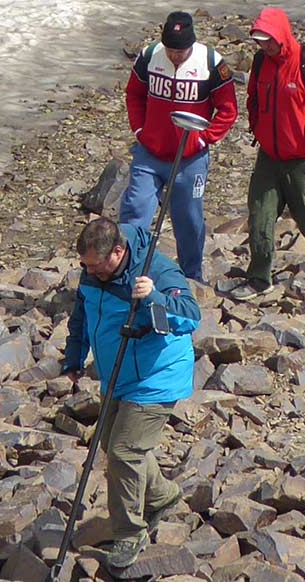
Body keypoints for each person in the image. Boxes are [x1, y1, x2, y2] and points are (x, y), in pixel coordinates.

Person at [59, 217, 202, 568]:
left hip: (156, 376)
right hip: (117, 374)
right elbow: (81, 315)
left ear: (118, 251)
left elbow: (190, 316)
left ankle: (129, 533)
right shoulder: (92, 273)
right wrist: (74, 358)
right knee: (111, 443)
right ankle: (163, 497)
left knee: (124, 451)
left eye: (95, 265)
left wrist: (152, 296)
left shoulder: (157, 268)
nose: (90, 272)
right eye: (85, 265)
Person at [84, 10, 236, 282]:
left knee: (188, 219)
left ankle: (191, 277)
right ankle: (126, 273)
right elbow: (134, 94)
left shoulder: (212, 63)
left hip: (191, 158)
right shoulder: (149, 56)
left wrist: (205, 137)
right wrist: (140, 129)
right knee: (135, 213)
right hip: (149, 153)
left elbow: (227, 109)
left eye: (181, 50)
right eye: (171, 49)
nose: (175, 55)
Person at [230, 7, 305, 296]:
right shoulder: (260, 62)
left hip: (304, 158)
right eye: (259, 40)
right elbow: (253, 98)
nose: (263, 46)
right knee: (260, 214)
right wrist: (257, 127)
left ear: (281, 35)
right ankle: (259, 278)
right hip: (269, 155)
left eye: (268, 40)